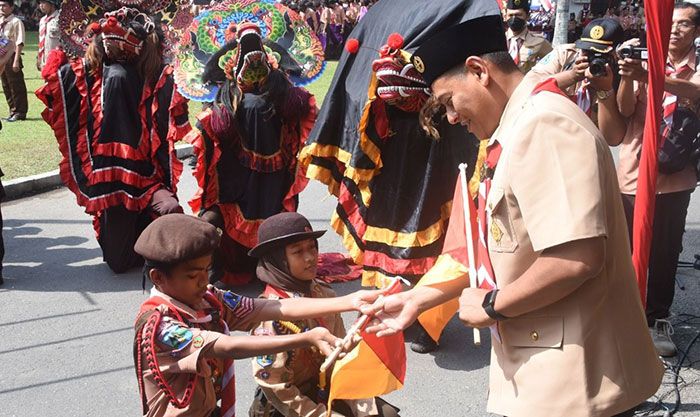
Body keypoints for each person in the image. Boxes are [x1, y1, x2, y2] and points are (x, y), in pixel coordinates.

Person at [360, 10, 663, 417]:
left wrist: (490, 306)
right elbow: (500, 247)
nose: (451, 118)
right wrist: (418, 299)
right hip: (546, 368)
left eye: (449, 102)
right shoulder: (518, 125)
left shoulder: (545, 125)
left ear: (478, 71)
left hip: (574, 384)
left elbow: (577, 258)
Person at [299, 0, 479, 354]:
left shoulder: (451, 11)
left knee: (434, 236)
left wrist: (425, 94)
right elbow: (355, 80)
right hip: (388, 151)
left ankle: (427, 319)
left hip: (434, 150)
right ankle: (390, 306)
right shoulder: (385, 15)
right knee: (387, 236)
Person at [133, 213, 375, 417]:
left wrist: (349, 301)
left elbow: (269, 307)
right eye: (192, 275)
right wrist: (306, 337)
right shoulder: (160, 327)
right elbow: (227, 347)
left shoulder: (208, 298)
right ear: (158, 278)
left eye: (206, 271)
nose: (204, 281)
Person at [37, 6, 191, 273]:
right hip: (111, 179)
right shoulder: (93, 72)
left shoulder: (155, 74)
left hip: (146, 175)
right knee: (118, 262)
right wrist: (57, 62)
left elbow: (174, 112)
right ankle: (142, 244)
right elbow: (61, 87)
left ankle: (166, 255)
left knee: (170, 209)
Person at [182, 16, 320, 287]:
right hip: (242, 176)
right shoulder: (234, 96)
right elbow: (214, 126)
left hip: (267, 177)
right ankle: (225, 269)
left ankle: (260, 267)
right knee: (221, 215)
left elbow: (300, 106)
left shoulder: (277, 92)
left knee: (266, 214)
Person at [247, 212, 399, 417]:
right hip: (288, 404)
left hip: (327, 385)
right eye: (297, 251)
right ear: (278, 261)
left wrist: (361, 405)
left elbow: (342, 358)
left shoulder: (322, 293)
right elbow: (277, 388)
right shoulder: (270, 318)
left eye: (312, 247)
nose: (310, 258)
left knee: (386, 415)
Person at [614, 2, 700, 357]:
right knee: (627, 249)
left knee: (665, 252)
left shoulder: (694, 69)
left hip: (676, 178)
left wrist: (650, 76)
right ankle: (623, 315)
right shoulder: (644, 59)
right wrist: (628, 77)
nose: (676, 30)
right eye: (671, 24)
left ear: (696, 31)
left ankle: (658, 317)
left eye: (684, 25)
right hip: (634, 173)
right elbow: (623, 110)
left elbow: (694, 92)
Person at [531, 18, 627, 144]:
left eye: (602, 55)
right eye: (588, 52)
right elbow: (531, 86)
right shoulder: (565, 55)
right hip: (550, 138)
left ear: (617, 54)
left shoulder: (624, 72)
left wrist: (605, 91)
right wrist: (572, 75)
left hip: (588, 150)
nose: (593, 60)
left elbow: (613, 139)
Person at [504, 0, 552, 74]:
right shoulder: (498, 40)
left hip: (525, 83)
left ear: (527, 16)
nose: (514, 19)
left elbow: (554, 64)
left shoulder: (539, 42)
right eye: (510, 15)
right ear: (505, 17)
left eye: (518, 15)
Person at [0, 0, 27, 122]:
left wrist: (16, 61)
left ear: (11, 7)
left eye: (4, 5)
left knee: (16, 84)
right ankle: (12, 110)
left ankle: (20, 112)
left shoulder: (16, 22)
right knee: (5, 84)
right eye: (0, 6)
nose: (1, 8)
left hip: (12, 55)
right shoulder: (0, 21)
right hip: (2, 56)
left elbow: (19, 42)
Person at [36, 0, 60, 71]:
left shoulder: (61, 19)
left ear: (52, 4)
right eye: (40, 3)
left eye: (43, 3)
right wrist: (39, 58)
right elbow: (41, 40)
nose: (41, 5)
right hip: (45, 60)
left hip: (58, 60)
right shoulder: (42, 20)